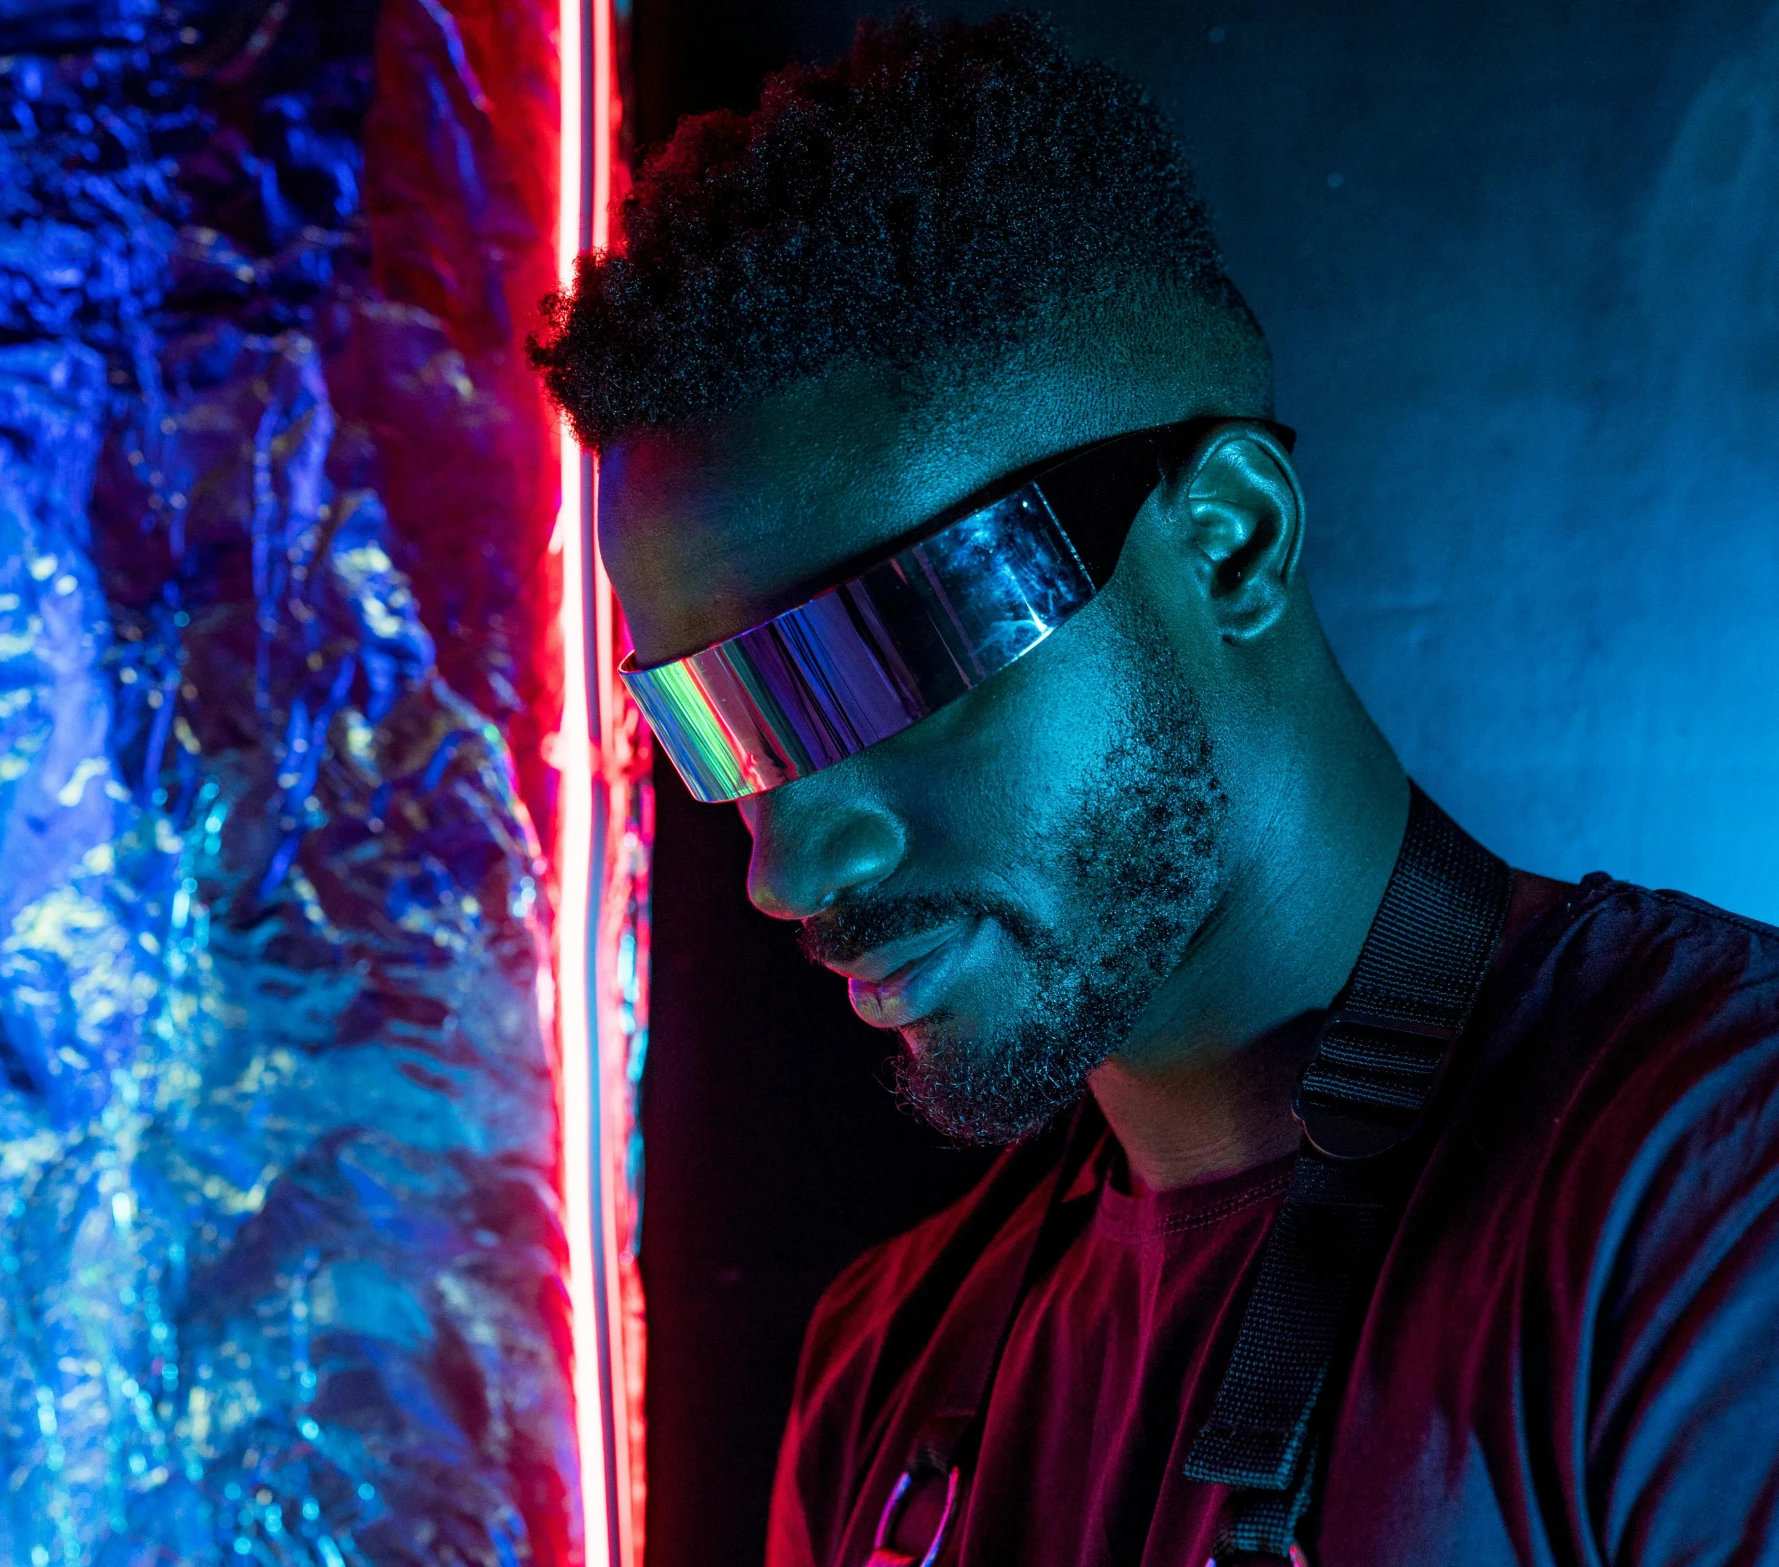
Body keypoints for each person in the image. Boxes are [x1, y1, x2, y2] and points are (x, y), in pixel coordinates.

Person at [529, 13, 1779, 1567]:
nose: (786, 857)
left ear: (1230, 542)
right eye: (718, 730)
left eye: (879, 661)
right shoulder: (884, 1373)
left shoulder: (1704, 1198)